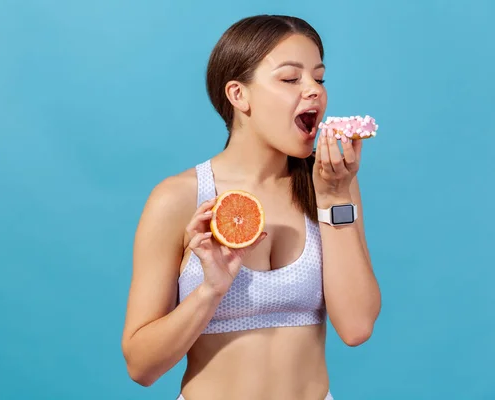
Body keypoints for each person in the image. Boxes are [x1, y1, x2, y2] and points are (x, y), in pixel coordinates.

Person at [121, 14, 381, 400]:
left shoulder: (332, 184)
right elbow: (141, 367)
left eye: (319, 78)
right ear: (239, 95)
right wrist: (210, 290)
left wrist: (334, 198)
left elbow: (356, 327)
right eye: (291, 79)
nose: (314, 91)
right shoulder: (179, 198)